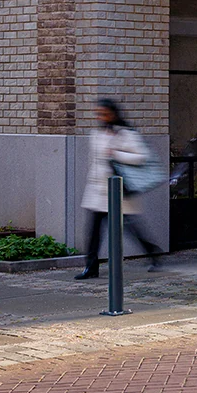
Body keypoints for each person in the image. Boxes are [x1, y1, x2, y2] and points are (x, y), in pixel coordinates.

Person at [77, 98, 163, 279]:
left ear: (113, 113)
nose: (100, 117)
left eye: (104, 113)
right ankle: (90, 268)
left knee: (131, 228)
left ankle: (153, 253)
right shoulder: (96, 134)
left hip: (119, 191)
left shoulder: (126, 134)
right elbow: (93, 161)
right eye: (98, 113)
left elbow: (141, 157)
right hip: (97, 191)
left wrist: (117, 154)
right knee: (93, 232)